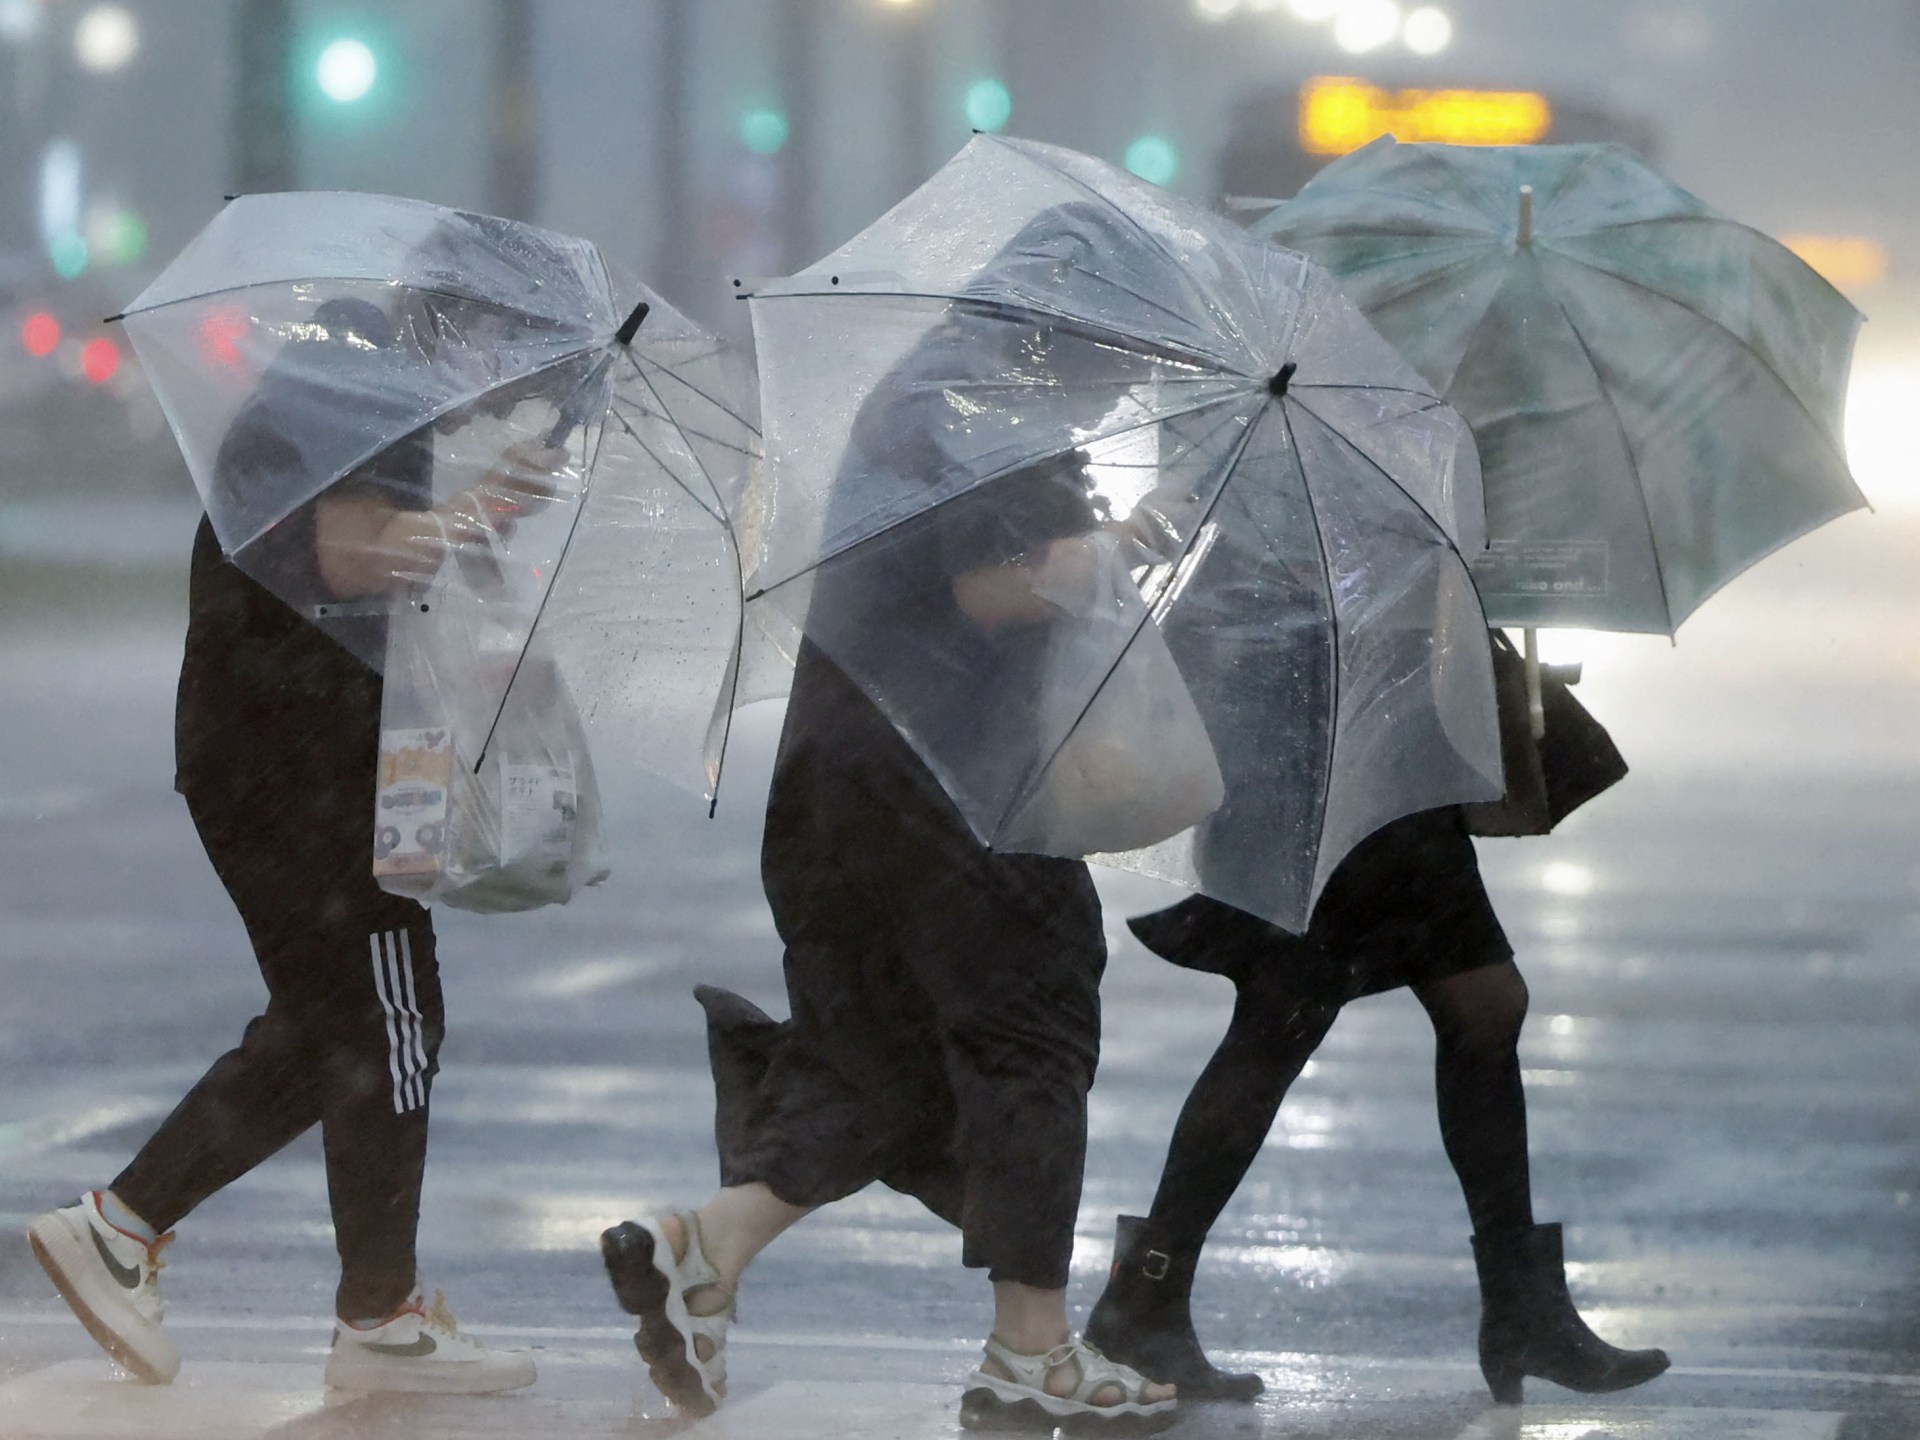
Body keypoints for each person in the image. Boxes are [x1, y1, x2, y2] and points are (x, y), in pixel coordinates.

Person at [599, 209, 1178, 1432]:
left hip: (840, 778)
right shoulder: (988, 414)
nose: (1128, 378)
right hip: (947, 782)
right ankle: (1032, 1348)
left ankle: (703, 1248)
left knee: (887, 1048)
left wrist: (1103, 543)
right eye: (1124, 350)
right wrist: (1100, 561)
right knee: (1031, 1027)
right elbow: (987, 588)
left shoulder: (942, 392)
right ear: (1067, 325)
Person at [27, 296, 561, 1393]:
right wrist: (489, 501)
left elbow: (343, 563)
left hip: (271, 751)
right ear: (465, 331)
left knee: (335, 1025)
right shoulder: (362, 388)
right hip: (296, 761)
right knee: (387, 1015)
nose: (504, 390)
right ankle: (377, 1316)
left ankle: (126, 1228)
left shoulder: (352, 377)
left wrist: (476, 521)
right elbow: (352, 555)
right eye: (507, 363)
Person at [1084, 635, 1673, 1407]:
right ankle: (1143, 1300)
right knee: (1296, 1018)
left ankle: (1522, 1308)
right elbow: (1261, 603)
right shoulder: (1291, 521)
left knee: (1467, 1005)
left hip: (1386, 752)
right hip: (1323, 757)